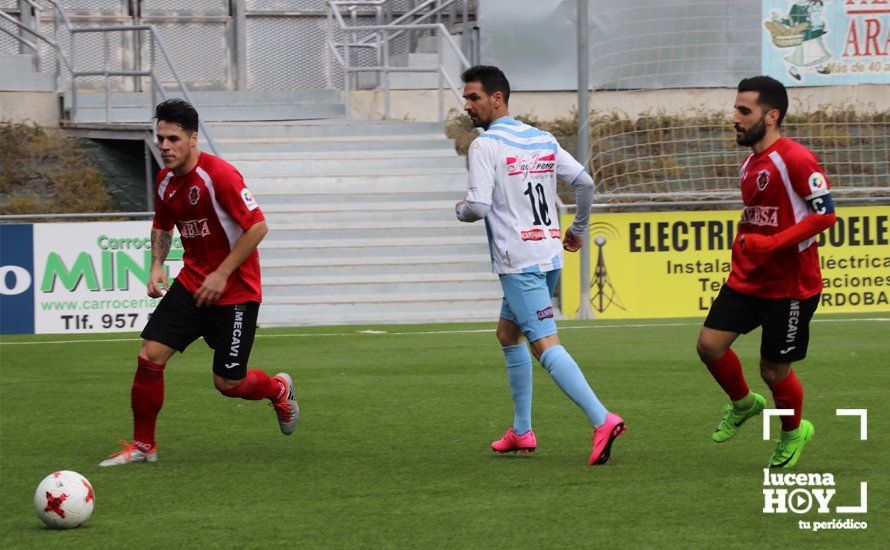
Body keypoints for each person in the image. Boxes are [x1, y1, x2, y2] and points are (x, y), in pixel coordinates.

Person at [100, 99, 298, 466]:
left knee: (228, 384)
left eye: (173, 138)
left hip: (236, 293)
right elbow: (162, 224)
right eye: (160, 138)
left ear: (193, 139)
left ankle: (278, 389)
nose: (164, 146)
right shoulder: (165, 182)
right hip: (191, 285)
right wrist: (157, 264)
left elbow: (257, 226)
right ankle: (144, 446)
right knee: (149, 356)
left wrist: (222, 273)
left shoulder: (220, 176)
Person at [455, 65, 625, 466]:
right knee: (507, 334)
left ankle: (602, 419)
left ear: (497, 98)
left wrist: (459, 210)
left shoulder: (485, 146)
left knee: (544, 343)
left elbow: (477, 207)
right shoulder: (541, 138)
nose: (467, 105)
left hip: (519, 262)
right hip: (548, 256)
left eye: (474, 97)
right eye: (465, 98)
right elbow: (584, 183)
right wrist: (578, 229)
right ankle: (521, 430)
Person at [696, 76, 836, 469]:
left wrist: (773, 245)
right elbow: (760, 218)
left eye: (744, 111)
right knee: (709, 346)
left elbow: (826, 214)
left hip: (790, 287)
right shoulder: (750, 162)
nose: (735, 118)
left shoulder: (795, 158)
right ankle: (743, 404)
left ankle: (794, 433)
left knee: (773, 370)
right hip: (748, 280)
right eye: (735, 109)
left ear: (771, 116)